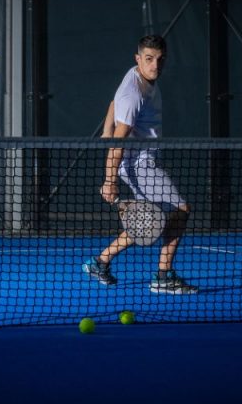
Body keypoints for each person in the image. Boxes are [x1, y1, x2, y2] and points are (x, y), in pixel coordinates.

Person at [83, 35, 198, 295]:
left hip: (142, 161)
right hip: (139, 165)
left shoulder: (137, 75)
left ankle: (99, 262)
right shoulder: (134, 94)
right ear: (138, 59)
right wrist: (109, 180)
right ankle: (163, 276)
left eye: (160, 59)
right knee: (181, 208)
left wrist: (106, 128)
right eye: (149, 59)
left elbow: (113, 103)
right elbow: (118, 144)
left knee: (147, 222)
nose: (155, 65)